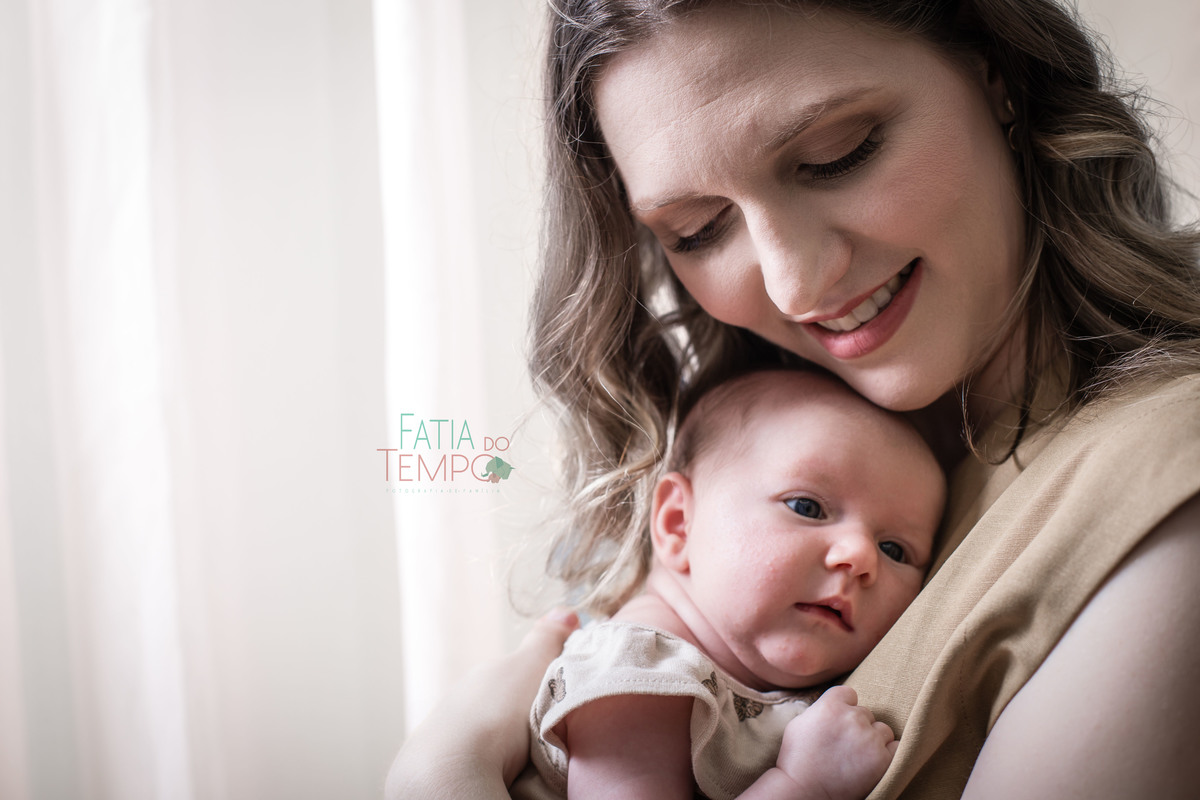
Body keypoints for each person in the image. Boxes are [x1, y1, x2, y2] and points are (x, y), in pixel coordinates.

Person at [387, 1, 1200, 798]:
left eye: (837, 155)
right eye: (698, 230)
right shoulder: (738, 462)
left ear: (998, 78)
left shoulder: (1162, 481)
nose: (794, 281)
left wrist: (436, 779)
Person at [511, 368, 946, 799]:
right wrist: (802, 785)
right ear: (679, 524)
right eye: (807, 507)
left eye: (895, 550)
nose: (861, 557)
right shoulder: (636, 674)